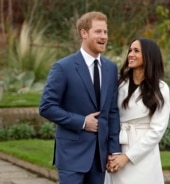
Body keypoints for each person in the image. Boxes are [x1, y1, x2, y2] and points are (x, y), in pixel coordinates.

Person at [39, 11, 121, 184]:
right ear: (84, 33)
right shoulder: (63, 67)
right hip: (71, 156)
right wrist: (82, 122)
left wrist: (114, 150)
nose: (104, 36)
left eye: (105, 32)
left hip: (99, 158)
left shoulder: (111, 69)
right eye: (98, 31)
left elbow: (112, 112)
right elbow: (46, 106)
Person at [105, 38, 170, 184]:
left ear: (148, 56)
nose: (130, 54)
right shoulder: (118, 83)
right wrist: (111, 151)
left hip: (142, 154)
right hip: (116, 147)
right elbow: (109, 115)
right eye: (130, 50)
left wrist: (127, 157)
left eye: (136, 51)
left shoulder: (160, 89)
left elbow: (157, 131)